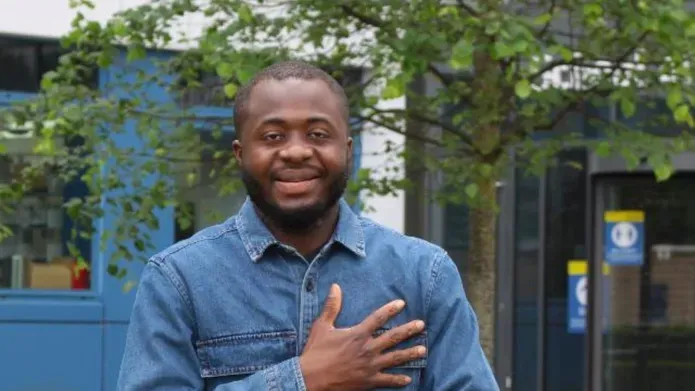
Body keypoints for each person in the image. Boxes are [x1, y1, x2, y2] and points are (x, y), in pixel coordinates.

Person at [117, 60, 498, 391]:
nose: (296, 151)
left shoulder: (424, 274)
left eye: (317, 134)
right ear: (240, 154)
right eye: (273, 136)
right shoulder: (178, 280)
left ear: (347, 151)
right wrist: (302, 379)